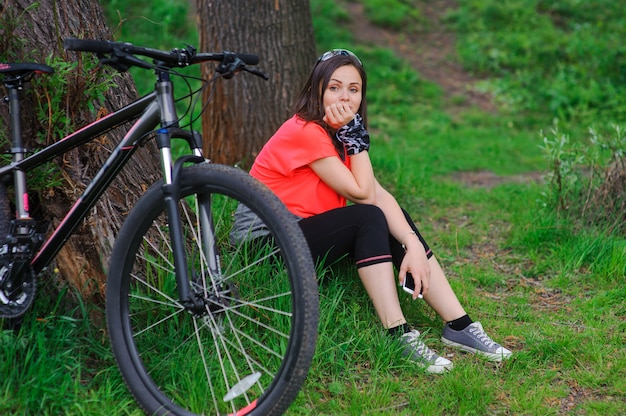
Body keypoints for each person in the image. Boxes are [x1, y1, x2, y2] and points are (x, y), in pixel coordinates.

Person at [232, 49, 512, 373]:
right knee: (368, 218)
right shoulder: (305, 131)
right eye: (334, 87)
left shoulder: (337, 133)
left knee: (393, 217)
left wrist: (414, 245)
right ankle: (398, 333)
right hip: (265, 245)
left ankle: (459, 326)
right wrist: (356, 139)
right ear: (316, 90)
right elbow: (362, 194)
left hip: (302, 233)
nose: (345, 97)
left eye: (354, 89)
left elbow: (379, 194)